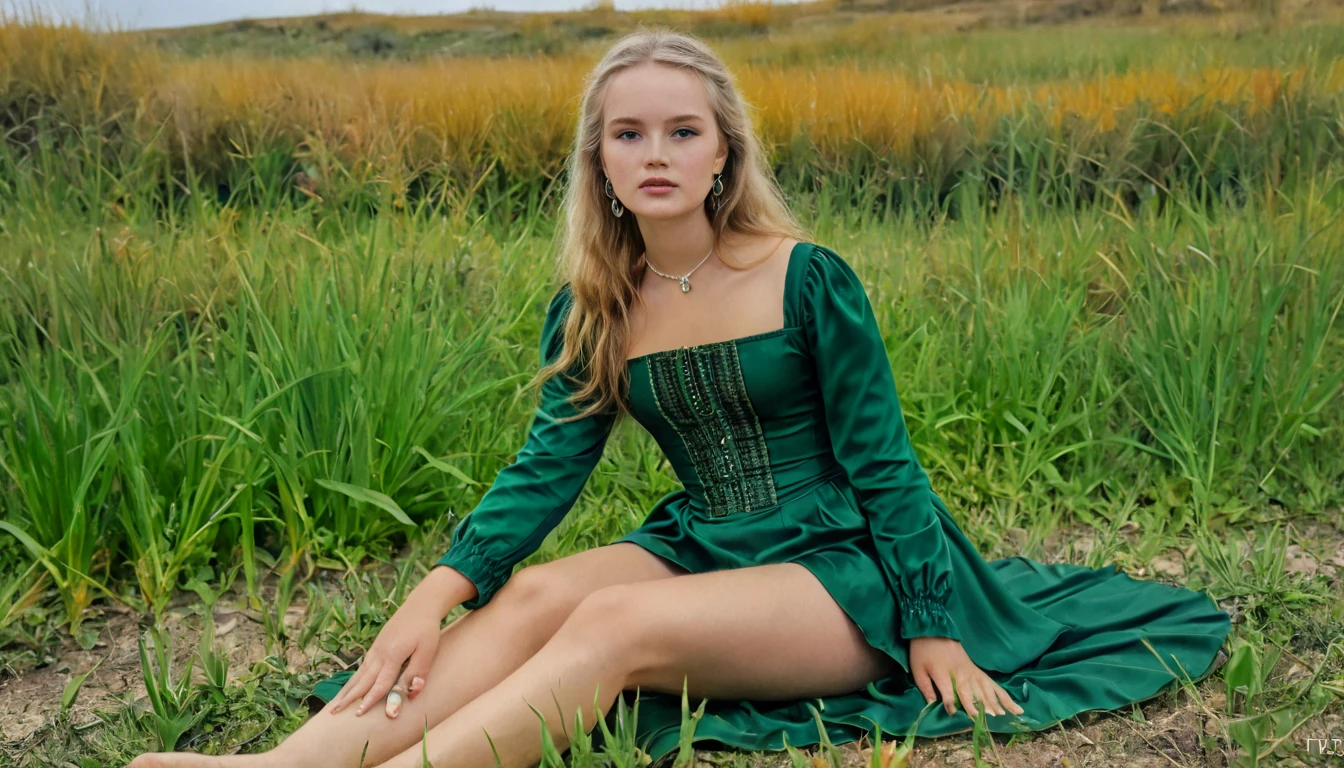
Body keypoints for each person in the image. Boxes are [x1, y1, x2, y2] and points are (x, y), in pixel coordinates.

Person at [127, 28, 1231, 768]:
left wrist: (933, 627)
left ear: (723, 156)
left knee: (612, 620)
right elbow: (547, 468)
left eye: (682, 130)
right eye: (629, 133)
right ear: (599, 162)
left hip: (843, 564)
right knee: (535, 596)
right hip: (708, 538)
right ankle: (273, 767)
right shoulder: (599, 302)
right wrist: (433, 591)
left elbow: (885, 464)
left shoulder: (807, 278)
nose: (655, 153)